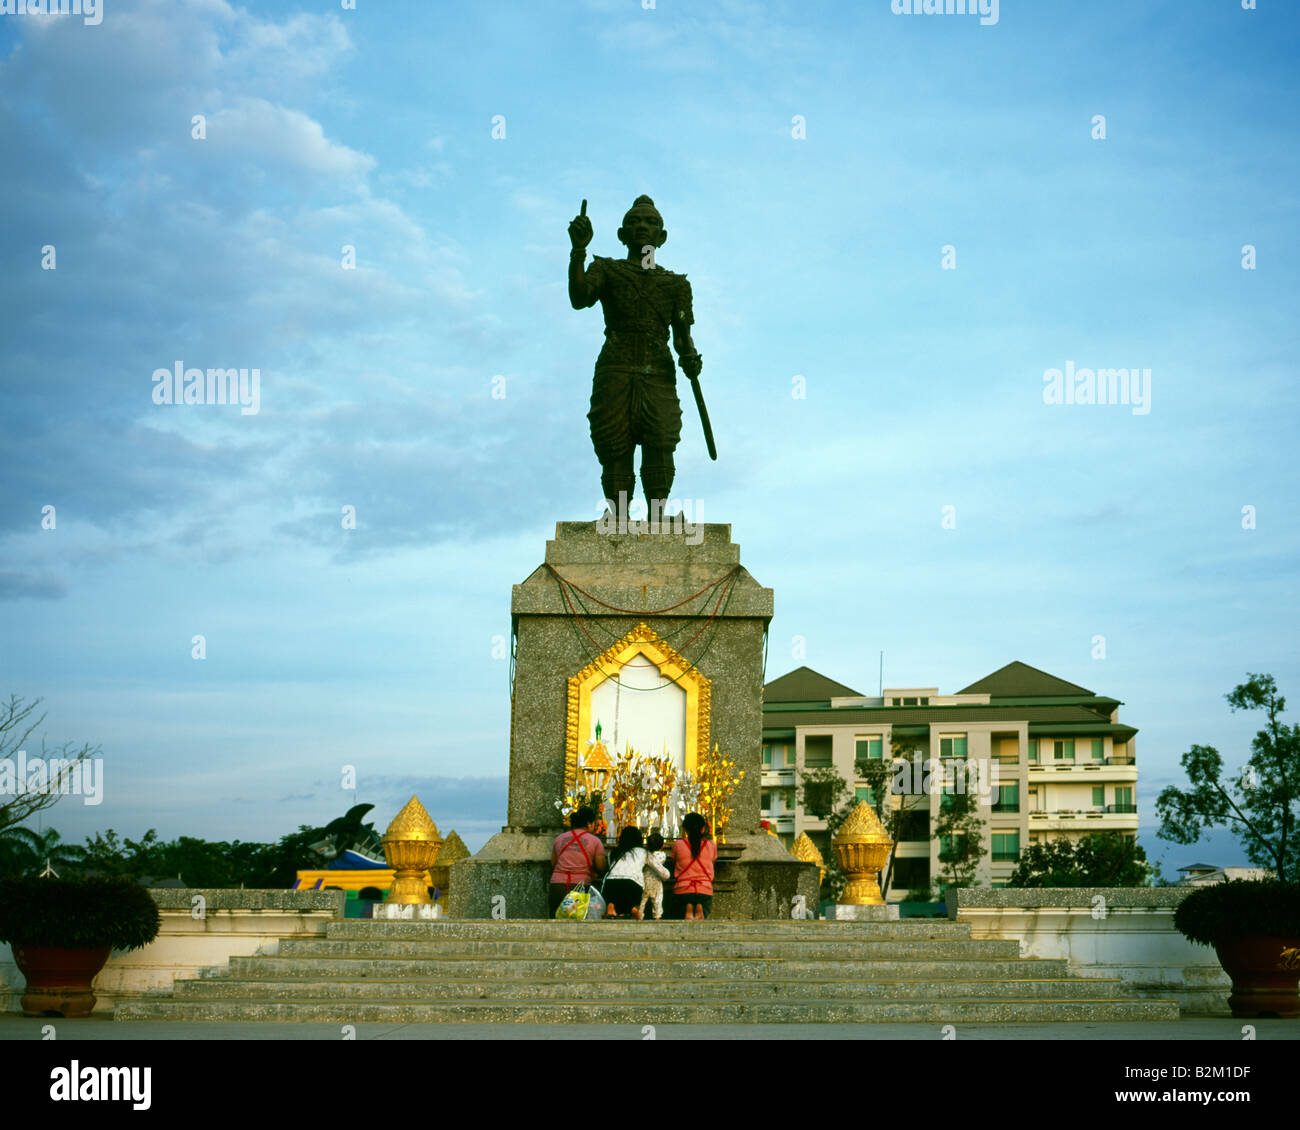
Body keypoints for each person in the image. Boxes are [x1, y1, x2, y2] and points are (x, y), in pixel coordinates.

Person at [568, 195, 703, 519]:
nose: (642, 226)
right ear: (621, 234)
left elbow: (682, 335)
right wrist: (578, 250)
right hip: (616, 364)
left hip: (658, 368)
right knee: (615, 438)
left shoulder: (675, 285)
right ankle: (617, 514)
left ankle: (658, 514)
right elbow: (580, 296)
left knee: (660, 438)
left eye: (650, 222)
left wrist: (690, 356)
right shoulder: (607, 270)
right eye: (634, 222)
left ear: (662, 236)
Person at [549, 806, 606, 918]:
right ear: (589, 824)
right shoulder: (595, 841)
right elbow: (600, 866)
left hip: (557, 886)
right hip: (579, 886)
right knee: (577, 921)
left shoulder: (559, 839)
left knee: (556, 920)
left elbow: (553, 863)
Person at [672, 812, 716, 921]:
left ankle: (688, 907)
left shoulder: (678, 844)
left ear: (685, 829)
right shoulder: (711, 845)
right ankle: (700, 907)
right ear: (702, 828)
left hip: (683, 889)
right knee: (705, 902)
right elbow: (713, 860)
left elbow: (674, 861)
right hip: (704, 890)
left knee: (680, 901)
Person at [602, 826, 653, 919]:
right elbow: (657, 867)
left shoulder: (613, 853)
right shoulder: (643, 852)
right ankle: (632, 908)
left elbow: (610, 866)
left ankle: (611, 906)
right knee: (630, 896)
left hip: (610, 884)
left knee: (613, 898)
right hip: (632, 884)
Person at [638, 831, 671, 921]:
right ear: (662, 846)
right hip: (657, 881)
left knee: (642, 901)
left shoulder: (645, 855)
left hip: (645, 880)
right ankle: (657, 917)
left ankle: (639, 916)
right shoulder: (663, 855)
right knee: (657, 901)